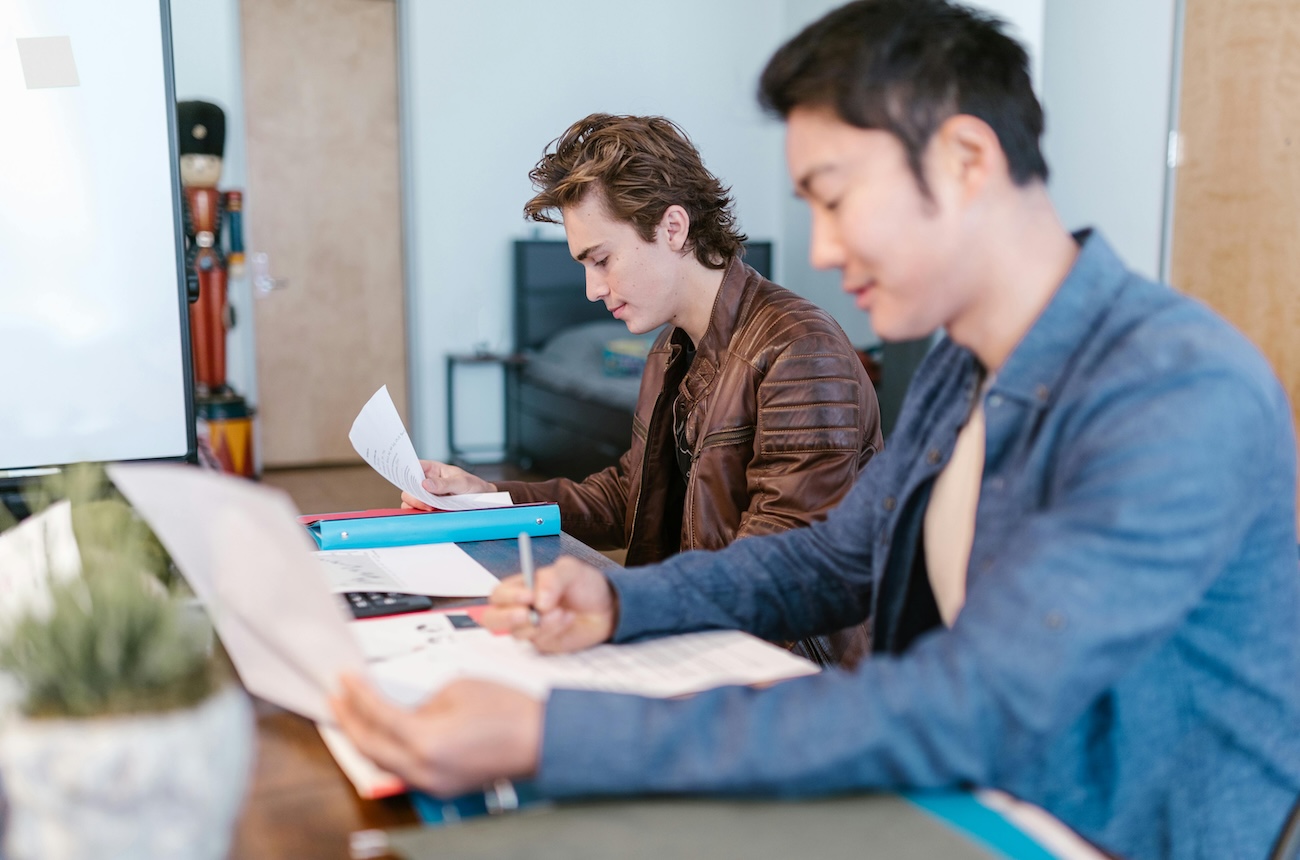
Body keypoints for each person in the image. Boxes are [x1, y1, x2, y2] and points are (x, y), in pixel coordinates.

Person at [333, 3, 1300, 858]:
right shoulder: (965, 366)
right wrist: (624, 606)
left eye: (835, 200)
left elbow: (973, 706)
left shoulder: (1174, 390)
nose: (825, 249)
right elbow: (829, 559)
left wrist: (558, 732)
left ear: (967, 158)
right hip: (966, 796)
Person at [408, 113, 882, 663]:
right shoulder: (671, 347)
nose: (592, 289)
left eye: (601, 259)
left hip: (789, 668)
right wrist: (485, 497)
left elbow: (776, 570)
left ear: (673, 227)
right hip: (705, 634)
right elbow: (628, 494)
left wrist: (619, 604)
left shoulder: (800, 349)